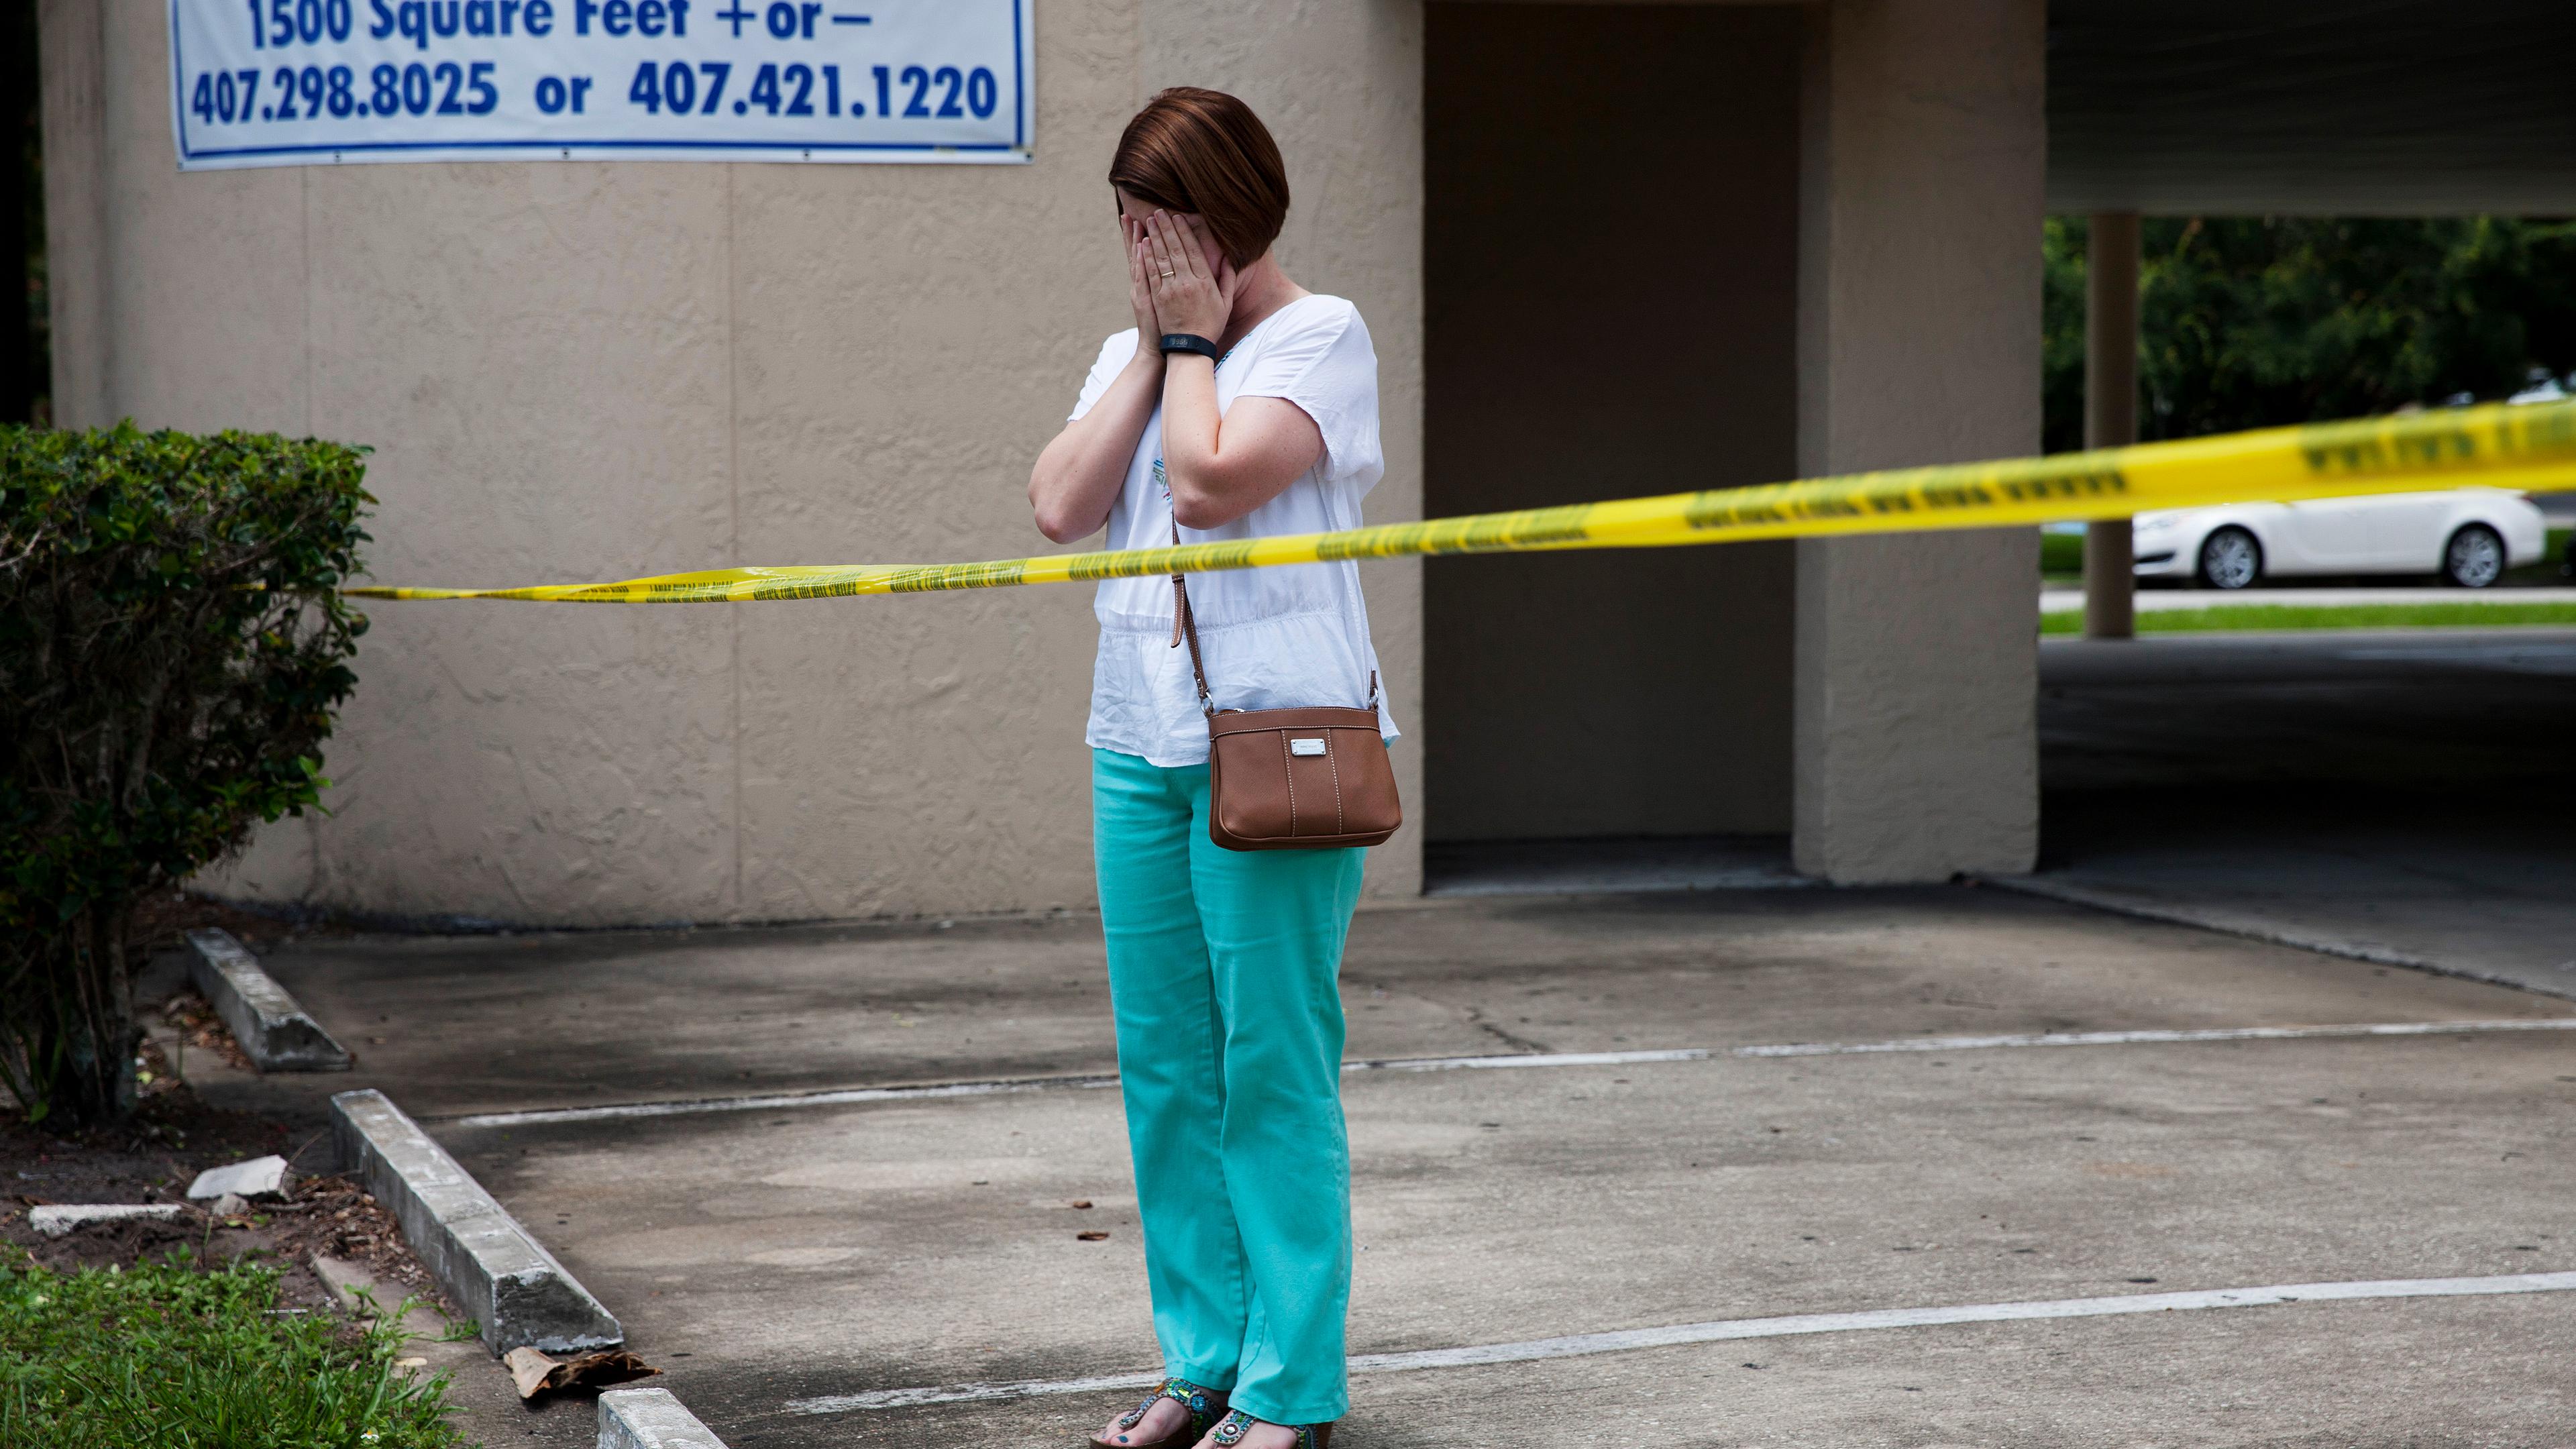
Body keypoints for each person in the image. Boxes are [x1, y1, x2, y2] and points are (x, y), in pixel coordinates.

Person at [1027, 87, 1394, 1449]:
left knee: (1273, 1067)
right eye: (1125, 229)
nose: (1139, 253)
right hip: (1138, 745)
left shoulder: (1320, 337)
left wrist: (1190, 342)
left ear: (1224, 220)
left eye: (1159, 227)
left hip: (1283, 753)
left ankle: (1292, 1389)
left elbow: (1209, 481)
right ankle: (1203, 1366)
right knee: (1169, 1071)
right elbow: (1063, 506)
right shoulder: (1138, 355)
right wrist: (1152, 344)